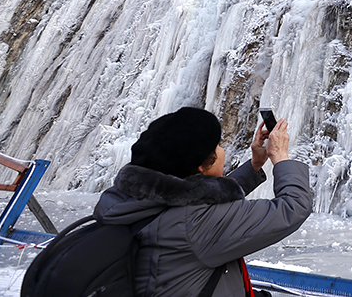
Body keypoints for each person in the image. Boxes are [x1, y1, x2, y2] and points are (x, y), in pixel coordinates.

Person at [93, 107, 312, 297]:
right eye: (218, 146)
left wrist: (255, 164)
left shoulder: (131, 199)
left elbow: (194, 198)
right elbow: (293, 207)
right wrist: (280, 156)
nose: (222, 150)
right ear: (201, 166)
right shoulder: (194, 225)